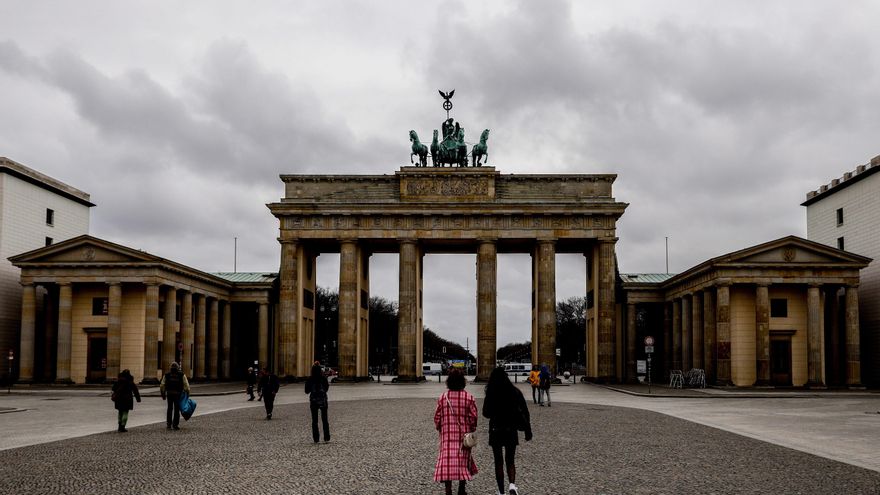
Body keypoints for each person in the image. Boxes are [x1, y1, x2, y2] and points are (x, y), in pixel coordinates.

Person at [483, 367, 532, 495]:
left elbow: (485, 413)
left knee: (498, 461)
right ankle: (512, 485)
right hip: (511, 429)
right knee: (510, 460)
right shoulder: (515, 392)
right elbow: (525, 412)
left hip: (496, 430)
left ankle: (501, 492)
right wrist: (527, 429)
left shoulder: (491, 392)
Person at [433, 369, 478, 495]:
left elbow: (437, 417)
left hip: (447, 436)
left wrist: (440, 427)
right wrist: (471, 428)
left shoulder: (443, 398)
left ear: (449, 381)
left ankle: (448, 490)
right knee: (463, 460)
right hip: (463, 436)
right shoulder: (469, 398)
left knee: (447, 462)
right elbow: (473, 418)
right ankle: (462, 489)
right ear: (463, 381)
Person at [304, 364, 330, 443]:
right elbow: (326, 388)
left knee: (314, 420)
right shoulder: (323, 378)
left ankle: (316, 438)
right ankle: (326, 437)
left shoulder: (310, 379)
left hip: (314, 401)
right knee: (324, 419)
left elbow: (306, 391)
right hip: (323, 400)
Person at [159, 362, 190, 430]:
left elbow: (162, 385)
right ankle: (175, 424)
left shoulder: (167, 375)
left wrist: (163, 394)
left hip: (169, 394)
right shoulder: (181, 375)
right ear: (178, 368)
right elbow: (186, 386)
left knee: (169, 409)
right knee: (177, 409)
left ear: (170, 368)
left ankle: (169, 424)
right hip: (178, 394)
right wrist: (187, 393)